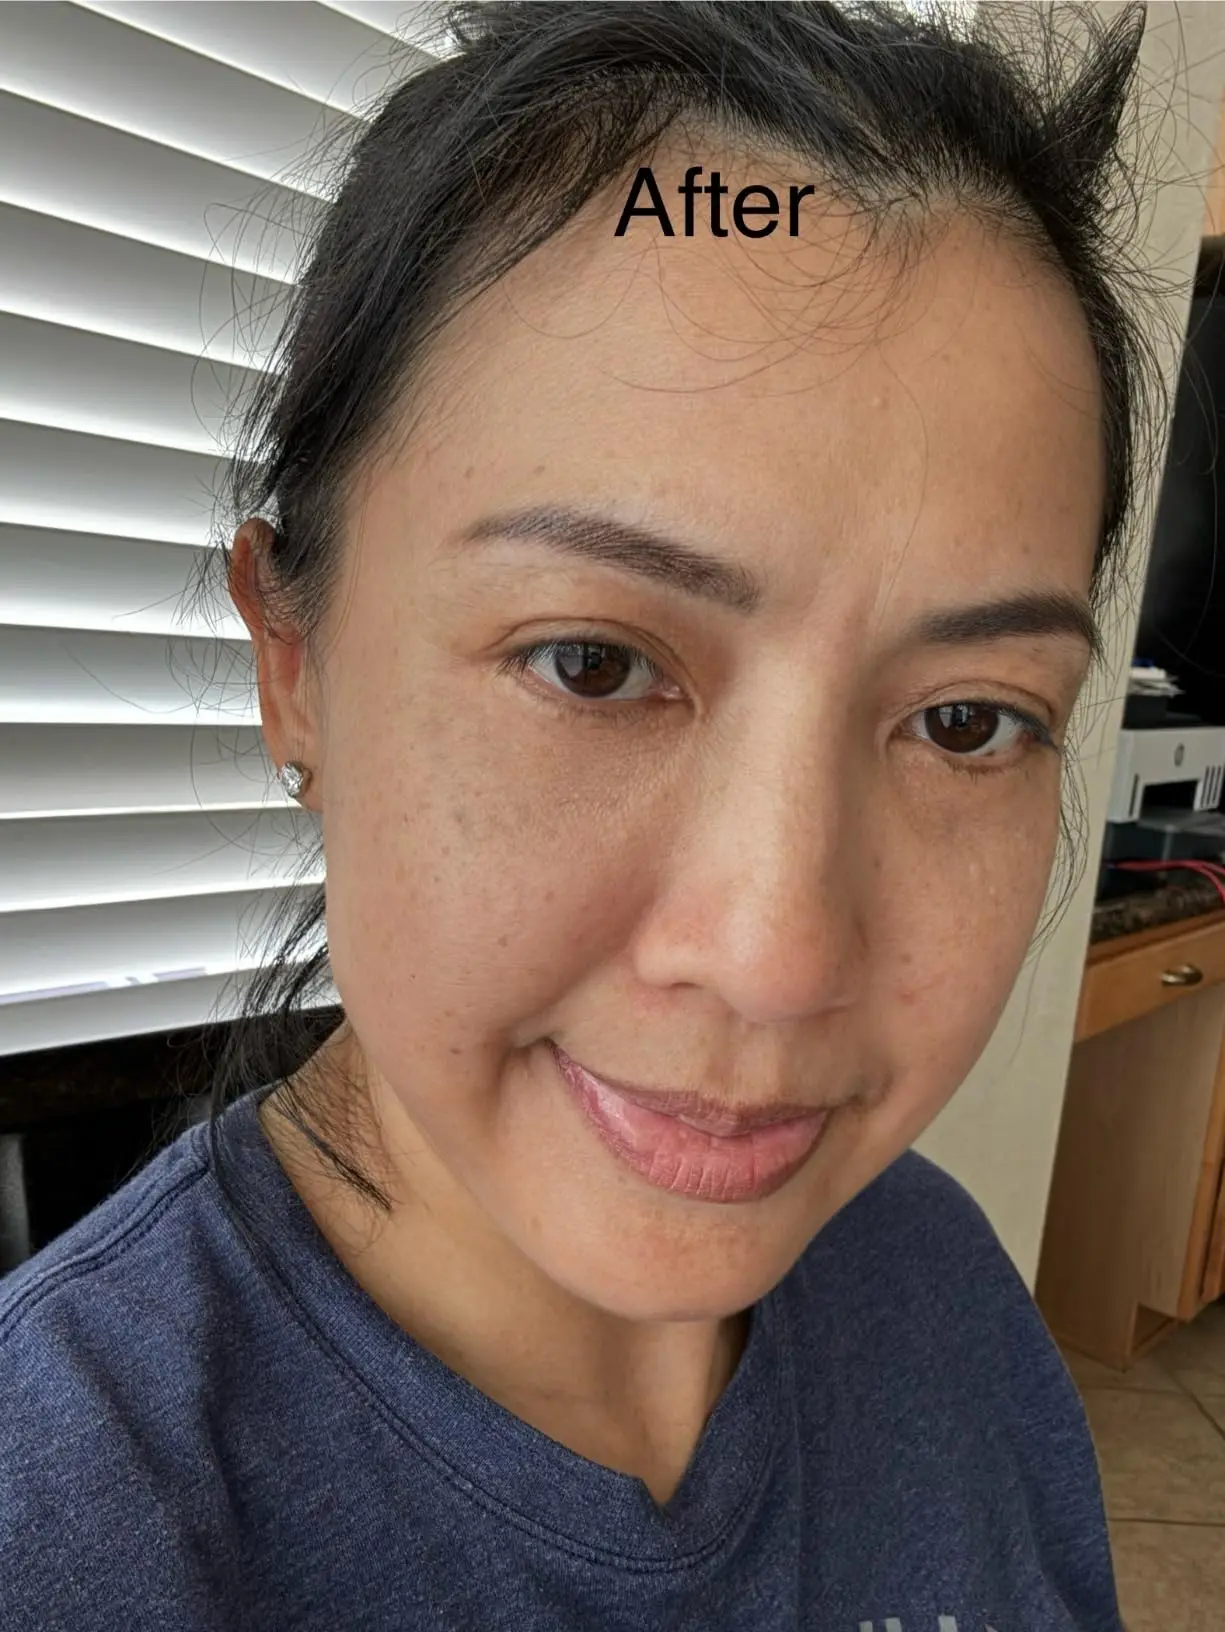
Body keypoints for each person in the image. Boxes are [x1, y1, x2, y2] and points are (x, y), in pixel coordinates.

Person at [0, 2, 1158, 1627]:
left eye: (965, 721)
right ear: (296, 665)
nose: (775, 959)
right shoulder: (70, 1529)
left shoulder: (943, 1290)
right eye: (594, 664)